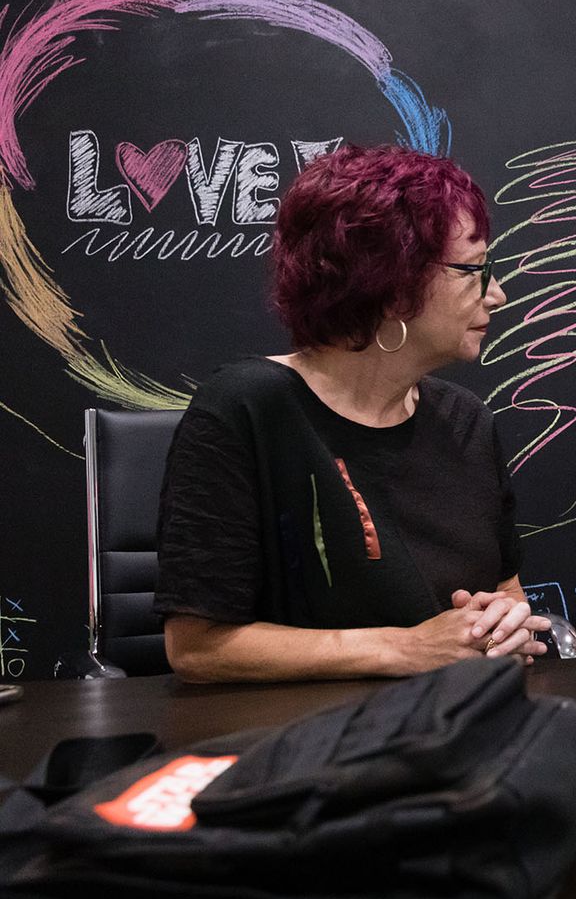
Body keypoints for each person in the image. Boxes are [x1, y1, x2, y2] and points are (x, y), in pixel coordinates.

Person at [155, 144, 550, 681]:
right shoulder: (248, 408)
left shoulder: (466, 420)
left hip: (452, 726)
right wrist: (401, 649)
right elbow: (197, 648)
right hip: (298, 743)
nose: (497, 295)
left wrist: (506, 623)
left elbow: (504, 587)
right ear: (392, 283)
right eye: (473, 270)